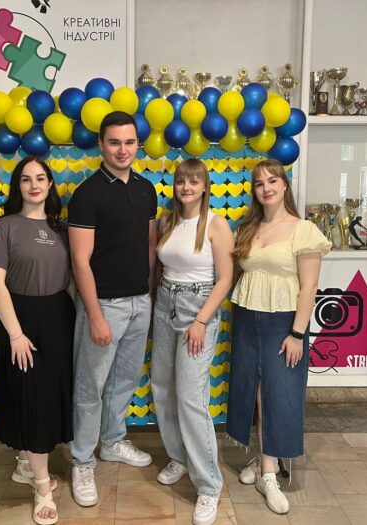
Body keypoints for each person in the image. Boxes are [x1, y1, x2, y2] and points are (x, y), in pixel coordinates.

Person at [226, 159, 330, 515]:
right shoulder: (249, 228)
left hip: (284, 322)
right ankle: (263, 459)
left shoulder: (304, 230)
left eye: (272, 181)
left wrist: (297, 334)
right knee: (253, 389)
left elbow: (309, 287)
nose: (266, 188)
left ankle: (269, 475)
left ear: (285, 185)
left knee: (279, 392)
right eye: (259, 183)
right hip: (246, 316)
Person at [67, 111, 158, 507]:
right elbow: (80, 261)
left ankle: (112, 441)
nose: (123, 150)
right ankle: (82, 460)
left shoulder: (146, 189)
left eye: (129, 142)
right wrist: (96, 315)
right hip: (104, 304)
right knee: (91, 387)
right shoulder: (87, 194)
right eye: (115, 142)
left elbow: (150, 245)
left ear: (138, 145)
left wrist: (147, 295)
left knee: (124, 380)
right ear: (101, 145)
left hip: (140, 303)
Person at [0, 156, 75, 525]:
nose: (34, 185)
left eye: (40, 178)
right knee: (31, 398)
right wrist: (16, 333)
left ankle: (26, 463)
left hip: (59, 318)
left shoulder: (62, 229)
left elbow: (71, 281)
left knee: (49, 397)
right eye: (26, 179)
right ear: (17, 186)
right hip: (20, 320)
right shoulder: (4, 227)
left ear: (50, 184)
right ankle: (42, 487)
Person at [151, 159, 234, 525]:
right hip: (164, 302)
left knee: (190, 397)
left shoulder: (216, 224)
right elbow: (160, 268)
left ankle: (209, 485)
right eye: (181, 181)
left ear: (204, 187)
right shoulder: (167, 222)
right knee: (162, 387)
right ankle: (179, 458)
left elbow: (225, 278)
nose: (186, 187)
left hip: (197, 307)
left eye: (193, 181)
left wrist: (201, 321)